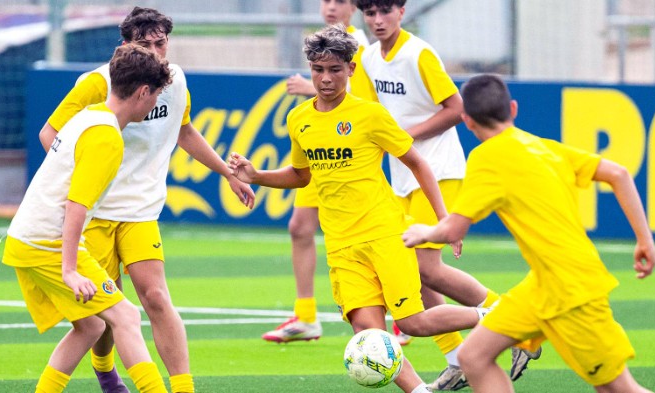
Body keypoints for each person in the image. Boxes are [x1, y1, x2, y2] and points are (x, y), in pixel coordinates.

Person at [228, 25, 487, 393]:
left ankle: (493, 316)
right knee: (369, 333)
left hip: (383, 233)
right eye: (318, 69)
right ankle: (420, 391)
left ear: (351, 69)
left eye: (335, 69)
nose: (325, 78)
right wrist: (256, 175)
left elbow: (418, 163)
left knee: (412, 322)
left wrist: (444, 218)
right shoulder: (299, 118)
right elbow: (302, 175)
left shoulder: (370, 115)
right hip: (340, 244)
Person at [36, 7, 255, 393]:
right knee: (104, 313)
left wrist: (226, 173)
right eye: (144, 44)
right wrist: (80, 178)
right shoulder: (97, 82)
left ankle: (183, 387)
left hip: (141, 210)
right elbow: (50, 133)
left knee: (155, 297)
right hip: (95, 212)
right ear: (125, 45)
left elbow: (184, 131)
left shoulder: (175, 79)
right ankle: (106, 371)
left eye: (161, 43)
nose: (155, 52)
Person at [403, 74, 655, 393]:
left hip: (572, 291)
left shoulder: (486, 157)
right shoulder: (545, 147)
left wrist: (422, 231)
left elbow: (453, 228)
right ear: (513, 108)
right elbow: (619, 174)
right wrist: (644, 240)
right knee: (474, 355)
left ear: (466, 121)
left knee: (617, 388)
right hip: (540, 287)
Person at [354, 0, 537, 389]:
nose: (377, 20)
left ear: (402, 11)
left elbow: (457, 107)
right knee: (417, 278)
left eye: (385, 10)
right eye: (369, 13)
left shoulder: (419, 53)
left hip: (438, 170)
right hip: (402, 178)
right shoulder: (368, 58)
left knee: (427, 269)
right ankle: (458, 359)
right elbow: (367, 113)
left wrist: (407, 137)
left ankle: (515, 320)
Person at [3, 44, 172, 393]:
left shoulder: (90, 114)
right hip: (45, 243)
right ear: (142, 92)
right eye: (155, 95)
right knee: (126, 316)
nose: (156, 104)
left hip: (26, 238)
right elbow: (76, 205)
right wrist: (70, 269)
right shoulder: (106, 137)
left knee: (93, 327)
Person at [263, 0, 374, 345]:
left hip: (348, 153)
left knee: (367, 236)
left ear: (354, 7)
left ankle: (392, 317)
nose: (330, 7)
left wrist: (309, 88)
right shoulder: (323, 43)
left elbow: (362, 100)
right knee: (299, 227)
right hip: (320, 152)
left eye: (339, 1)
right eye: (326, 0)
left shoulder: (360, 47)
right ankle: (307, 316)